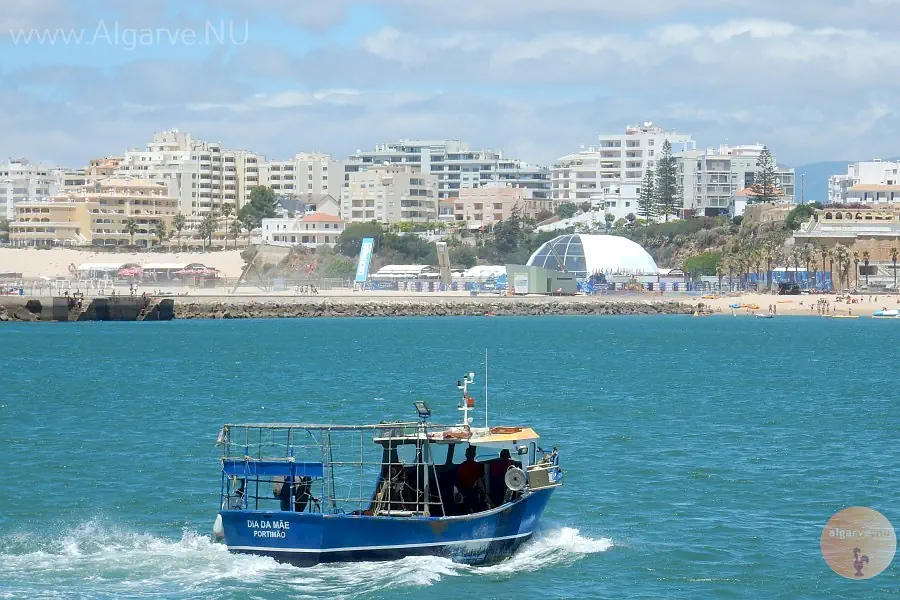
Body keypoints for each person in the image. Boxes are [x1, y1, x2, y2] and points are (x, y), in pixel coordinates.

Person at [455, 446, 487, 513]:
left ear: (466, 455)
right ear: (474, 455)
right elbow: (480, 480)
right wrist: (484, 492)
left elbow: (457, 481)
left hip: (464, 491)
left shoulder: (461, 466)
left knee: (468, 508)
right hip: (472, 492)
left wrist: (461, 491)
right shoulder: (477, 466)